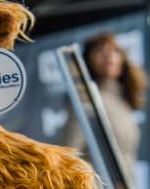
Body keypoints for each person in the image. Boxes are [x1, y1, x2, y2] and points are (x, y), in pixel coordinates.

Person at [63, 33, 147, 178]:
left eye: (113, 50)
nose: (108, 56)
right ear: (88, 60)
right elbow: (68, 153)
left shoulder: (123, 103)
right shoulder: (86, 100)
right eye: (99, 51)